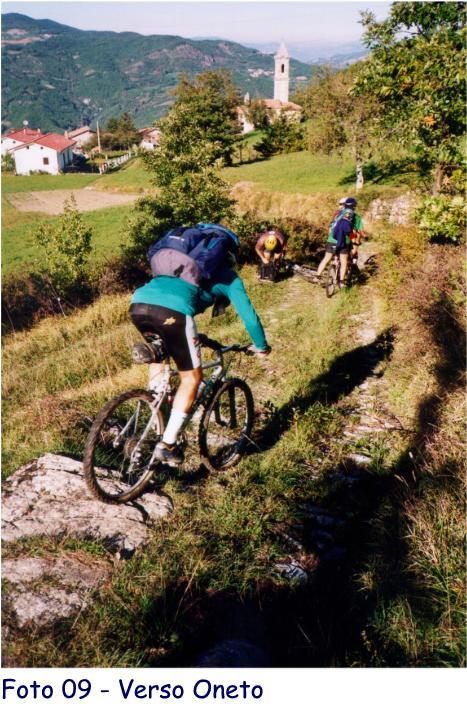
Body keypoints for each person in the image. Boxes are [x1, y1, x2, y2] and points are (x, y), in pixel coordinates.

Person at [129, 224, 270, 466]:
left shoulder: (177, 267)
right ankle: (168, 443)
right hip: (174, 313)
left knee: (160, 361)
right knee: (192, 379)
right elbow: (249, 316)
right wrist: (261, 346)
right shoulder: (226, 275)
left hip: (138, 304)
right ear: (227, 254)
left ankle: (157, 417)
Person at [316, 197, 358, 286]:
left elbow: (331, 227)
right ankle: (341, 282)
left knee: (326, 258)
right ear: (354, 206)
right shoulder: (352, 215)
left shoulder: (338, 214)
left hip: (331, 239)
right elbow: (351, 231)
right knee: (343, 261)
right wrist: (354, 241)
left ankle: (317, 276)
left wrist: (330, 238)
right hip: (344, 241)